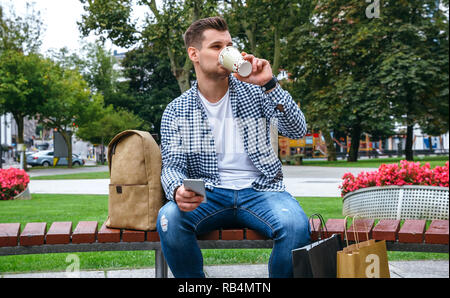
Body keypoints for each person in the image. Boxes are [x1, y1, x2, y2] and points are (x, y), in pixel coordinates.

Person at [157, 16, 310, 278]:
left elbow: (297, 130)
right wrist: (178, 189)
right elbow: (172, 166)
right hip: (208, 191)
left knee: (296, 225)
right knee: (169, 218)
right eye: (217, 47)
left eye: (229, 45)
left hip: (261, 190)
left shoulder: (256, 91)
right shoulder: (177, 110)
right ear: (194, 54)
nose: (226, 52)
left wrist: (270, 85)